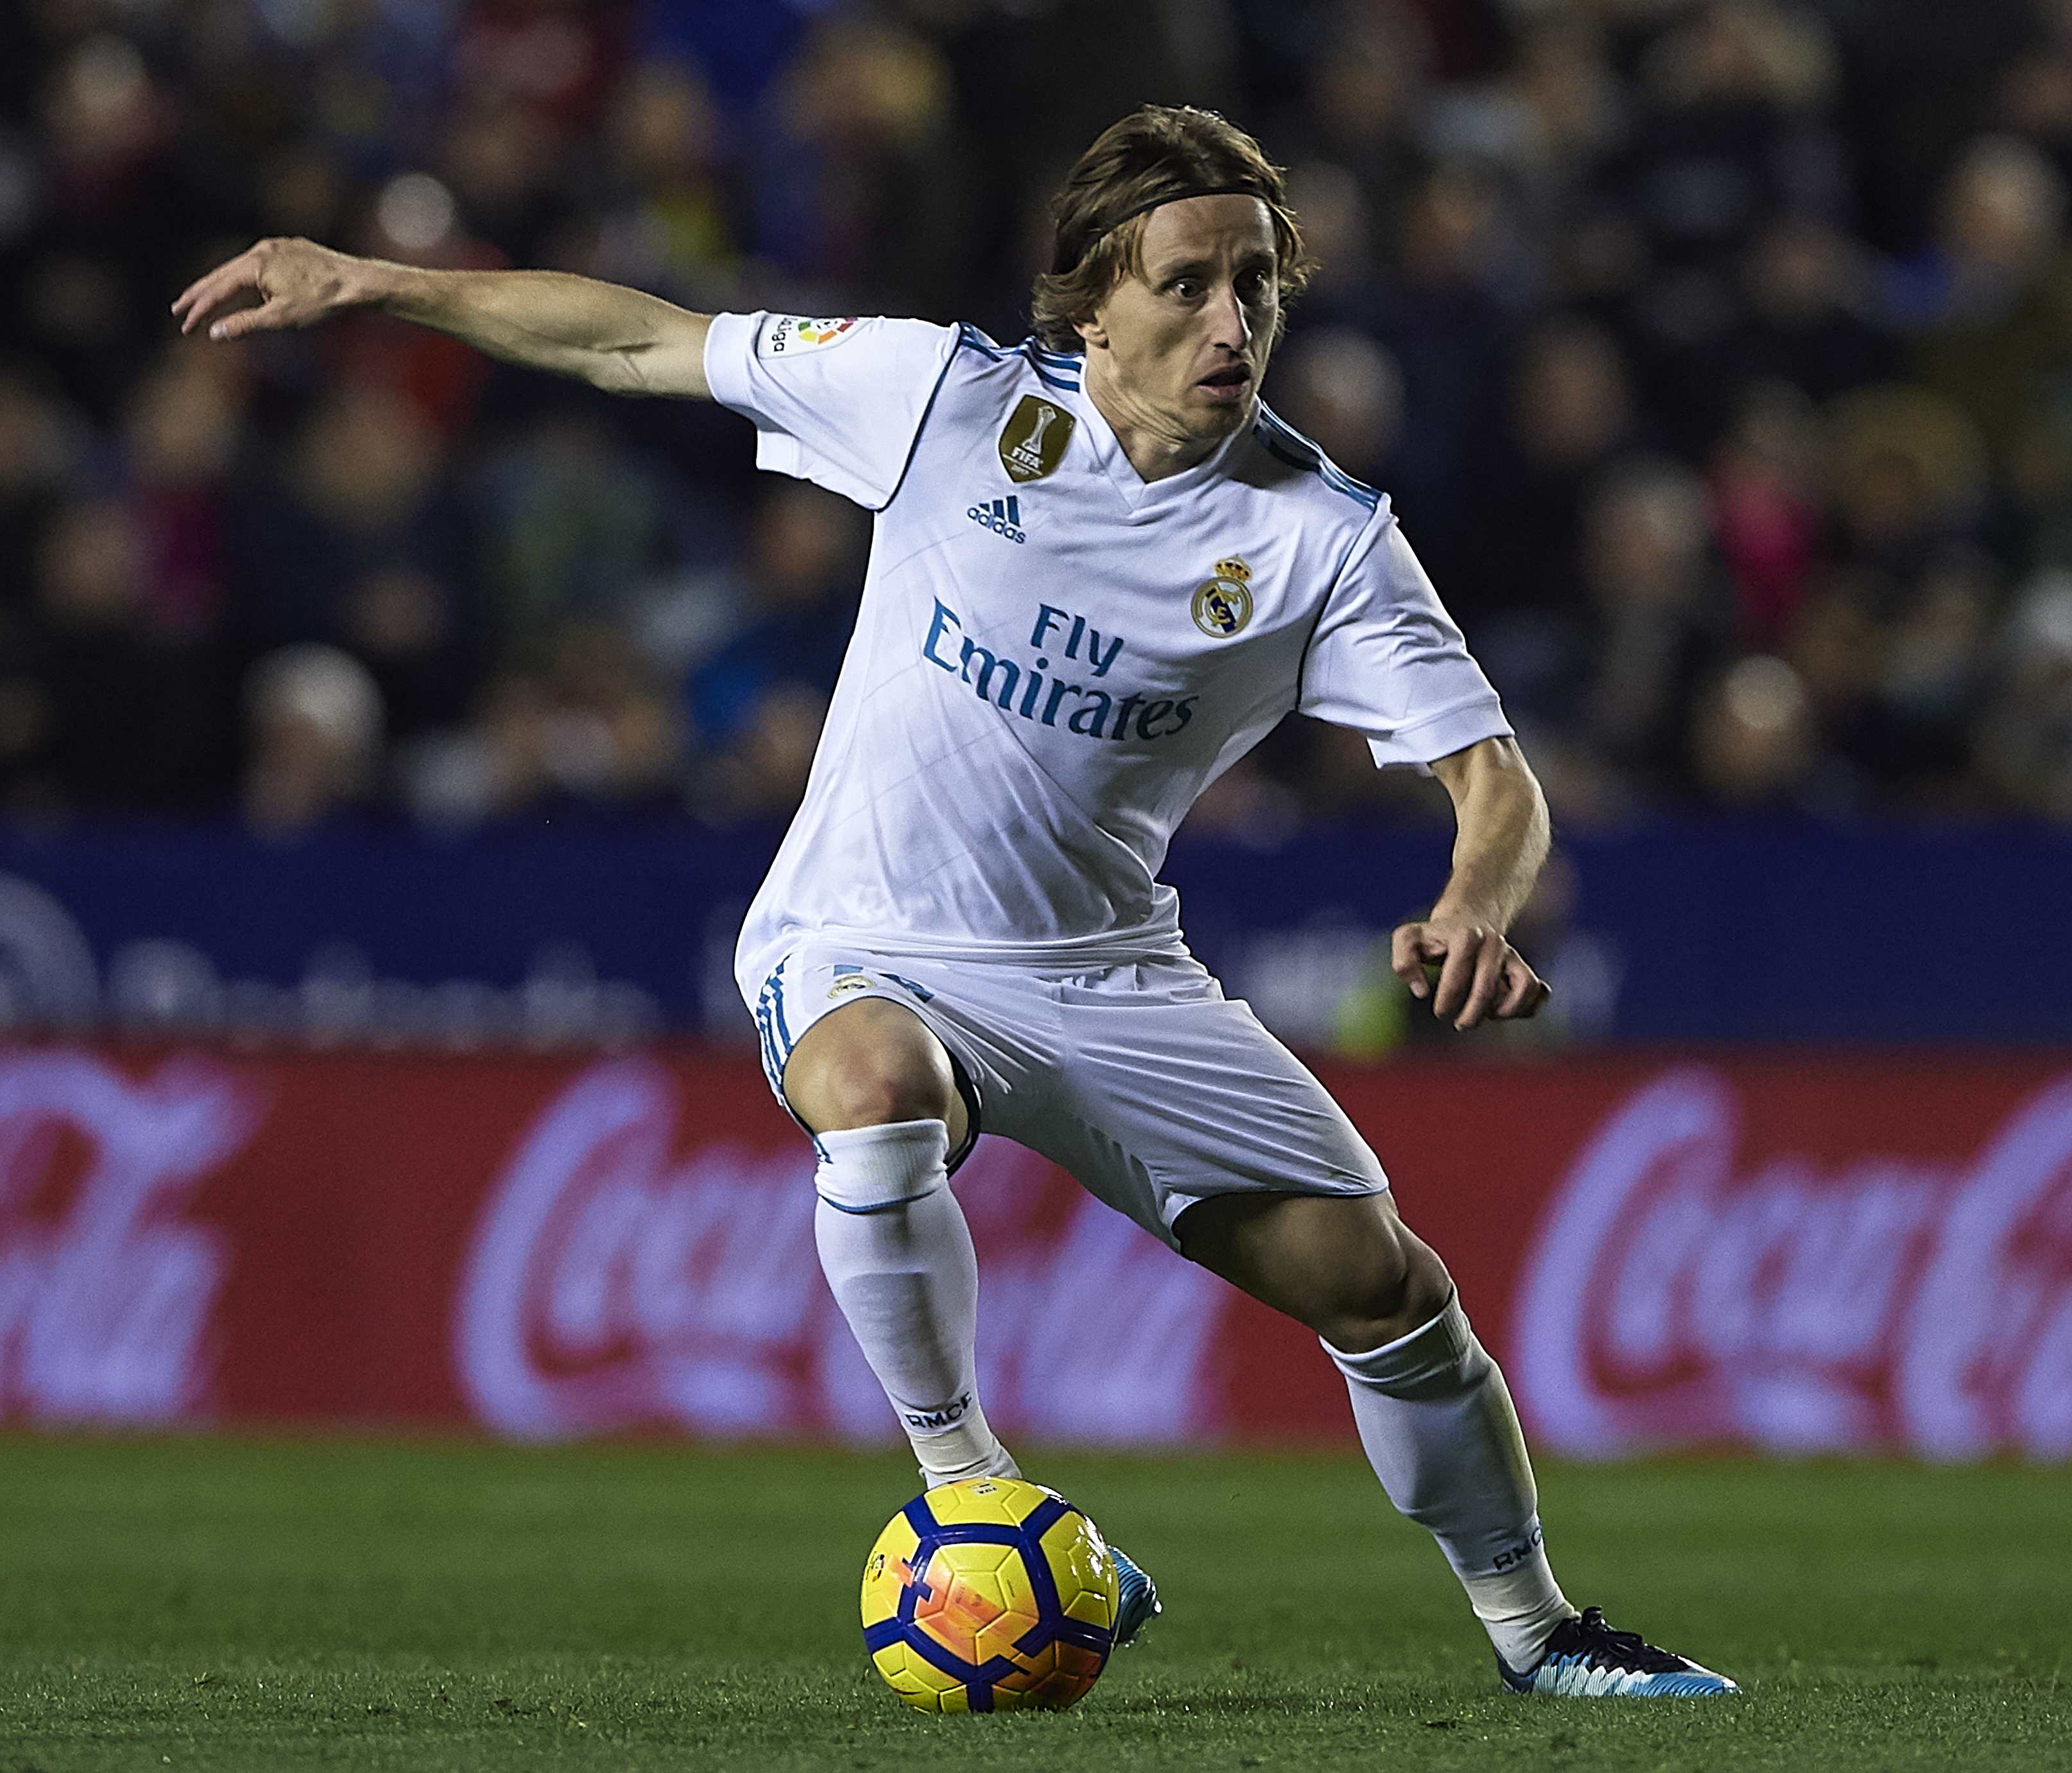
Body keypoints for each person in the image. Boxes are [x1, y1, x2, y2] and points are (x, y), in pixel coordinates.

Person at [176, 104, 1737, 1701]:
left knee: (1383, 1288)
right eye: (1189, 283)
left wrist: (1477, 901)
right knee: (872, 1096)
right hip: (861, 934)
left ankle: (1539, 1635)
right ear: (1087, 302)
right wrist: (374, 278)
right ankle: (972, 1490)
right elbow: (644, 341)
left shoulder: (1317, 539)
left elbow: (1494, 777)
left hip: (1104, 970)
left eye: (1256, 286)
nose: (1231, 322)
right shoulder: (938, 396)